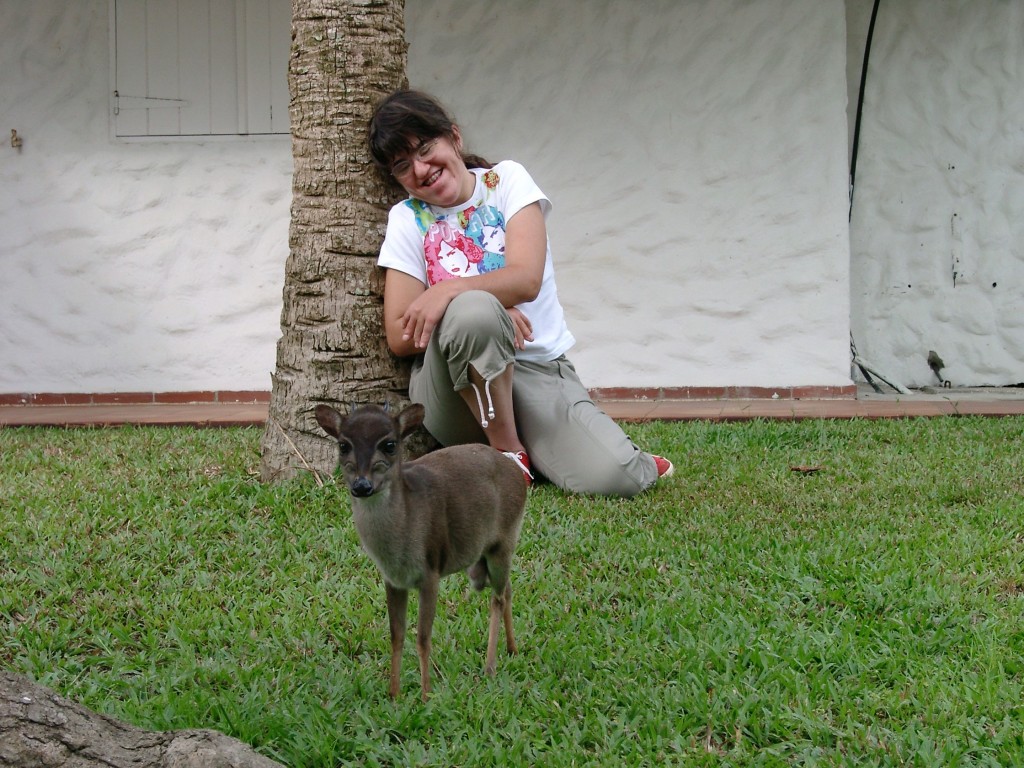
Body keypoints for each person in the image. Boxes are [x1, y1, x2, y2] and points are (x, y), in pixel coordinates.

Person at [366, 88, 673, 496]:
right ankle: (511, 456)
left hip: (536, 372)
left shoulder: (507, 181)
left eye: (425, 148)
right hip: (457, 389)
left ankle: (588, 451)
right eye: (403, 165)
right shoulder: (407, 219)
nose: (421, 169)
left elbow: (525, 278)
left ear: (453, 138)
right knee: (474, 313)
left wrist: (451, 291)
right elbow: (401, 334)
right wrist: (475, 307)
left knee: (616, 478)